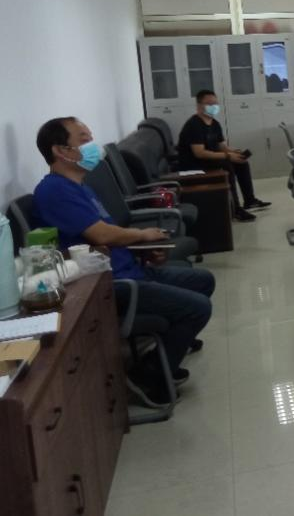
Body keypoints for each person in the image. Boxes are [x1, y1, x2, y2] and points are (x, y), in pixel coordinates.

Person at [32, 117, 214, 408]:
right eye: (83, 139)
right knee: (198, 307)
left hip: (131, 267)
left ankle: (166, 353)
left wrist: (144, 250)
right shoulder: (55, 191)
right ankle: (149, 376)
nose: (92, 146)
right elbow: (102, 235)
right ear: (60, 151)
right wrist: (142, 235)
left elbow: (108, 236)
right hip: (112, 284)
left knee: (203, 280)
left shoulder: (80, 186)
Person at [177, 90, 270, 223]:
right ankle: (235, 209)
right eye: (209, 104)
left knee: (241, 162)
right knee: (227, 165)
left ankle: (250, 200)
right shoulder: (194, 125)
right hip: (194, 165)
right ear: (199, 106)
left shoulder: (214, 123)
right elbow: (199, 153)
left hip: (209, 160)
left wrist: (234, 152)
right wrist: (228, 156)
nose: (213, 107)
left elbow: (221, 146)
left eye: (215, 103)